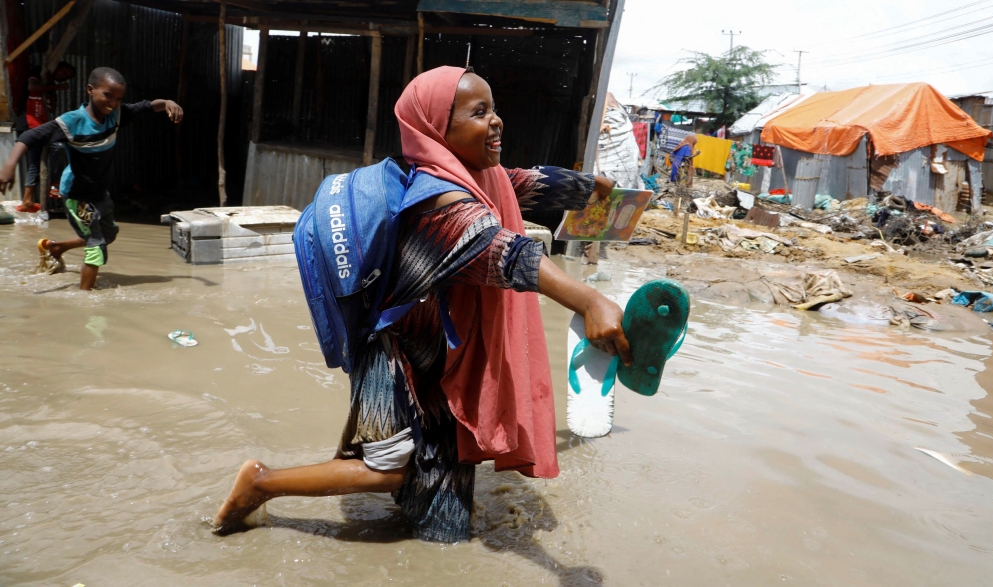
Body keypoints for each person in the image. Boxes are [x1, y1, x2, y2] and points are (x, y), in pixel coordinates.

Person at [214, 66, 631, 542]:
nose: (495, 121)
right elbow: (507, 254)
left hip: (436, 360)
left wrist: (588, 187)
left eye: (494, 109)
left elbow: (526, 182)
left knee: (445, 517)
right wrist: (591, 299)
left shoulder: (475, 176)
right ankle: (261, 482)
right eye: (479, 112)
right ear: (438, 129)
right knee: (388, 467)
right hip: (393, 357)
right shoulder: (440, 204)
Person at [0, 67, 183, 290]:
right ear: (90, 90)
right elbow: (30, 136)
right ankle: (86, 300)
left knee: (109, 234)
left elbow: (145, 106)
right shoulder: (72, 122)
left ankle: (57, 248)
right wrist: (8, 166)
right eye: (108, 95)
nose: (113, 103)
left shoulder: (116, 115)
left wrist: (167, 102)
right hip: (77, 195)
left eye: (119, 98)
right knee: (97, 247)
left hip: (99, 192)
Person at [15, 62, 77, 213]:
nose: (63, 77)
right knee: (44, 156)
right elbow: (32, 87)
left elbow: (52, 107)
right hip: (30, 124)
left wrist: (54, 91)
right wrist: (56, 88)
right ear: (58, 66)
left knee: (53, 151)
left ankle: (32, 198)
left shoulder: (50, 87)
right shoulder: (38, 72)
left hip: (41, 126)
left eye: (67, 77)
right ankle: (45, 190)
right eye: (64, 72)